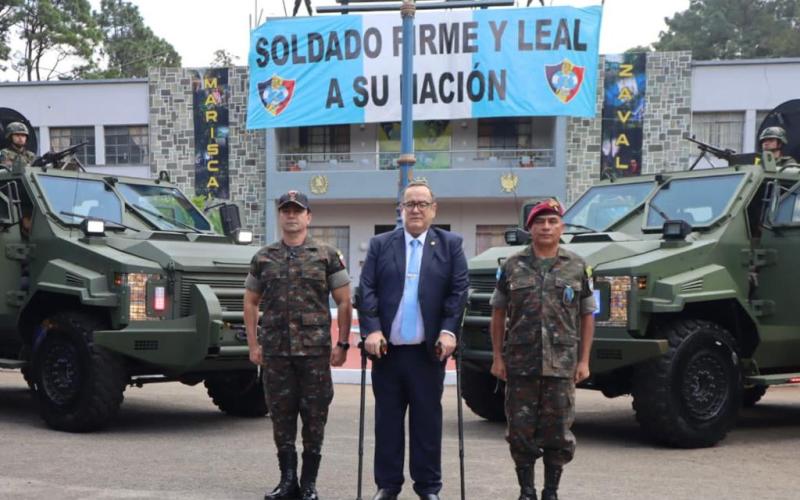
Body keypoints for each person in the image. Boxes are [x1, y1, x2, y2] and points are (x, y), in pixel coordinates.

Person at [358, 180, 469, 500]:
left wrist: (449, 331)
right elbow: (367, 290)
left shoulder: (450, 244)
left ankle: (428, 487)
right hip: (387, 352)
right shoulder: (381, 244)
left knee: (427, 422)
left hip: (428, 352)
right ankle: (387, 485)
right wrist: (372, 329)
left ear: (434, 209)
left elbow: (458, 292)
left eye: (422, 204)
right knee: (387, 422)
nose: (416, 209)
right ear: (401, 209)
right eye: (410, 204)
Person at [243, 190, 352, 500]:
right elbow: (250, 302)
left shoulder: (326, 255)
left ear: (308, 217)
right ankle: (287, 481)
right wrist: (253, 344)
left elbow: (344, 301)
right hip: (276, 352)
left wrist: (343, 343)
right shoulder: (263, 257)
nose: (291, 215)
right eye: (286, 210)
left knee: (315, 417)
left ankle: (309, 484)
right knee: (281, 416)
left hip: (314, 353)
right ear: (279, 215)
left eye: (297, 210)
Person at [489, 198, 596, 500]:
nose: (546, 227)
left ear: (562, 227)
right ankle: (527, 491)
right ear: (530, 228)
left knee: (558, 432)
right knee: (519, 430)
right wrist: (497, 357)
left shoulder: (578, 266)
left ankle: (551, 491)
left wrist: (584, 360)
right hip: (520, 363)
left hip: (561, 363)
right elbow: (498, 313)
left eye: (552, 221)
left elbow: (588, 315)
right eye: (539, 222)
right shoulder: (512, 265)